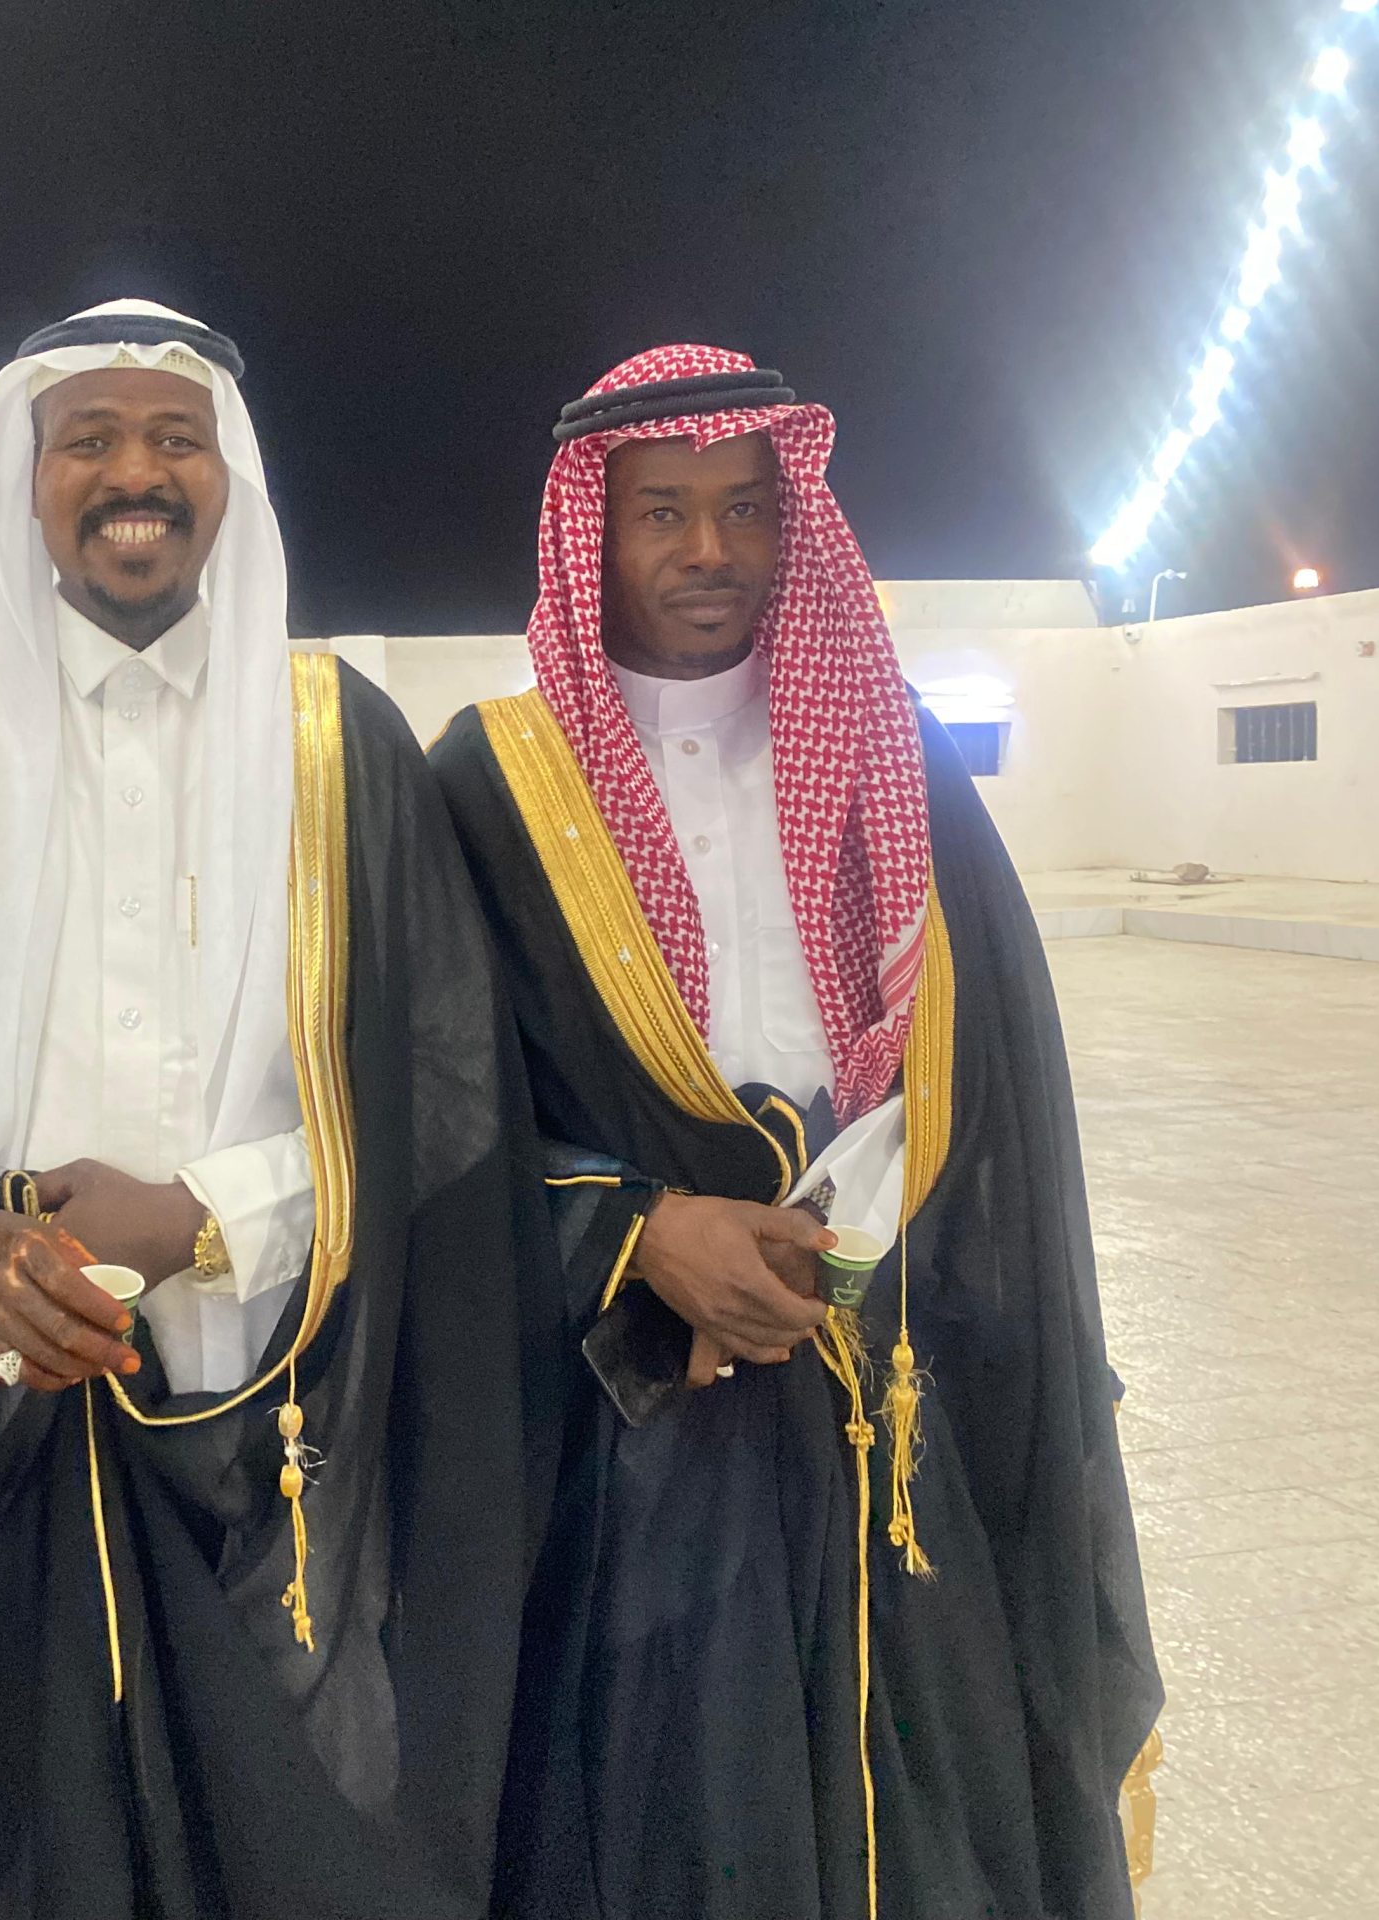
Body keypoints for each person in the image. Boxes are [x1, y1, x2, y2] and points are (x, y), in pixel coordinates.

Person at [0, 299, 550, 1919]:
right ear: (24, 475)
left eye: (175, 438)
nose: (135, 474)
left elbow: (448, 1083)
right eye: (90, 439)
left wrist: (211, 1219)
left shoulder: (342, 745)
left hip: (279, 1425)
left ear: (228, 475)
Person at [431, 344, 1163, 1919]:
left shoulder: (895, 753)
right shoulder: (494, 784)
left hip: (885, 1388)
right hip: (629, 1419)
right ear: (594, 529)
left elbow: (996, 1076)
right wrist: (635, 1231)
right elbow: (434, 1109)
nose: (710, 549)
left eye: (747, 509)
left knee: (923, 1785)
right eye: (663, 512)